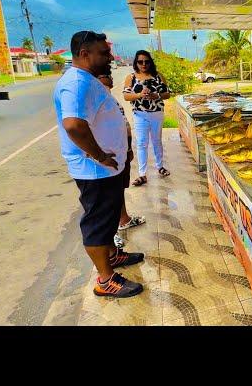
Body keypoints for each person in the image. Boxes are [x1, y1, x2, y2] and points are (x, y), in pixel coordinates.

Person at [53, 31, 144, 298]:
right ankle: (105, 280)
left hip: (107, 168)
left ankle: (112, 256)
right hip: (96, 171)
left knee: (109, 214)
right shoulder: (76, 83)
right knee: (97, 223)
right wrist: (100, 156)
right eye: (104, 53)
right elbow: (73, 125)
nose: (110, 57)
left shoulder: (86, 79)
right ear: (84, 54)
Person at [97, 73, 147, 249]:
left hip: (120, 154)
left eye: (108, 74)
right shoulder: (95, 100)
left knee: (118, 191)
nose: (109, 77)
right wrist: (100, 156)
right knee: (106, 198)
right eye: (104, 75)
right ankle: (110, 237)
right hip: (106, 159)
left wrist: (128, 149)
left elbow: (123, 124)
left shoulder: (109, 98)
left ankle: (124, 220)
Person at [122, 50, 171, 186]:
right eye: (140, 61)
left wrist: (157, 95)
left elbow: (168, 93)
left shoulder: (158, 76)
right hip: (140, 114)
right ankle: (142, 174)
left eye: (147, 61)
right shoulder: (131, 77)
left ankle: (160, 166)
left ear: (151, 62)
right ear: (136, 63)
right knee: (141, 143)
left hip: (157, 113)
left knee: (157, 141)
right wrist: (139, 95)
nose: (144, 64)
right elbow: (126, 96)